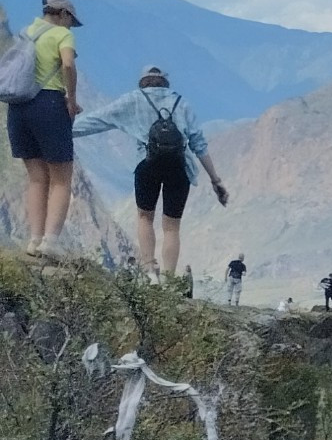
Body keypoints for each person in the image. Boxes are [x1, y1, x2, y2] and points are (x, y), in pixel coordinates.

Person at [73, 64, 228, 280]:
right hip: (179, 167)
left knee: (145, 217)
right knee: (172, 226)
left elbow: (99, 120)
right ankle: (169, 279)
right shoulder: (180, 102)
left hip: (147, 166)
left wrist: (64, 131)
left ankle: (149, 271)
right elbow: (199, 144)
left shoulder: (133, 100)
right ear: (165, 82)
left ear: (143, 82)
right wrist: (215, 180)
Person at [6, 0, 82, 250]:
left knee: (36, 178)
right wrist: (71, 99)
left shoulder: (26, 32)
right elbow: (68, 65)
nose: (72, 26)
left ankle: (34, 239)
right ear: (63, 14)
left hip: (18, 107)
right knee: (62, 177)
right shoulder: (62, 35)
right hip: (49, 104)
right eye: (71, 20)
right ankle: (50, 242)